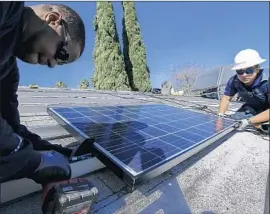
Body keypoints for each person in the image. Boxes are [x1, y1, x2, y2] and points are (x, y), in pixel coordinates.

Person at [0, 2, 87, 186]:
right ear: (53, 19)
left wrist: (52, 150)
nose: (52, 65)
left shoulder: (7, 72)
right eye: (62, 54)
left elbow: (10, 126)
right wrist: (33, 161)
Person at [217, 49, 269, 132]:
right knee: (235, 119)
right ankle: (259, 119)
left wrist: (249, 121)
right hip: (254, 107)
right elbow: (226, 98)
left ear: (257, 69)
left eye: (249, 70)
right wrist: (220, 115)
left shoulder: (267, 80)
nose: (244, 75)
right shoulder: (234, 81)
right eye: (240, 71)